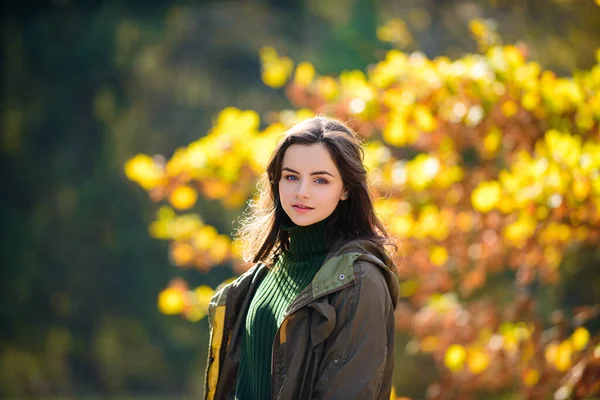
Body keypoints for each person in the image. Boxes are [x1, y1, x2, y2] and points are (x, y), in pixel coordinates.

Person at [203, 116, 399, 400]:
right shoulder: (268, 271)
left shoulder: (360, 281)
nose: (302, 192)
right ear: (276, 180)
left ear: (345, 189)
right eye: (291, 176)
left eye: (320, 180)